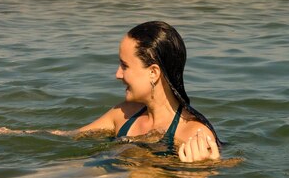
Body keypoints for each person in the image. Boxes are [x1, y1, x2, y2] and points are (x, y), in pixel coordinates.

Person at [77, 21, 222, 162]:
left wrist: (202, 168)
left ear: (153, 72)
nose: (118, 74)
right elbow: (69, 137)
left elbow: (211, 174)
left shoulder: (193, 133)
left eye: (125, 66)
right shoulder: (123, 113)